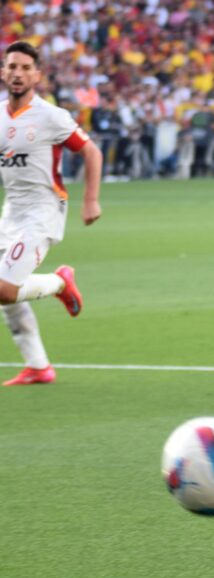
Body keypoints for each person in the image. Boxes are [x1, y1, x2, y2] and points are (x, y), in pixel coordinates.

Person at [0, 41, 102, 386]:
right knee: (7, 296)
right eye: (12, 66)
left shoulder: (50, 116)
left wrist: (91, 200)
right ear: (3, 72)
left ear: (37, 75)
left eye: (26, 68)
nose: (18, 73)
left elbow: (91, 152)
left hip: (43, 211)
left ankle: (60, 282)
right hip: (11, 211)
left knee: (5, 289)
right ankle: (38, 366)